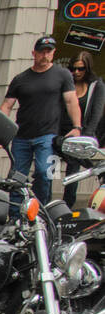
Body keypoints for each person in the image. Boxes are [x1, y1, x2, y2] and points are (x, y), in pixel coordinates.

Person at [1, 36, 80, 206]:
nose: (45, 55)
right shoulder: (20, 78)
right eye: (41, 52)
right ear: (33, 53)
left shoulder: (62, 74)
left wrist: (77, 127)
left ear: (53, 53)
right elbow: (7, 105)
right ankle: (15, 216)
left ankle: (40, 212)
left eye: (48, 52)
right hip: (21, 136)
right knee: (16, 176)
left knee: (45, 173)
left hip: (48, 136)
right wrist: (0, 134)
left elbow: (71, 101)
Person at [61, 51, 104, 207]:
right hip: (62, 133)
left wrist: (84, 136)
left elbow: (96, 115)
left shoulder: (96, 86)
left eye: (81, 69)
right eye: (73, 69)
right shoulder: (67, 83)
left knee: (76, 164)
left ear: (88, 69)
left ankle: (68, 204)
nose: (76, 72)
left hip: (83, 135)